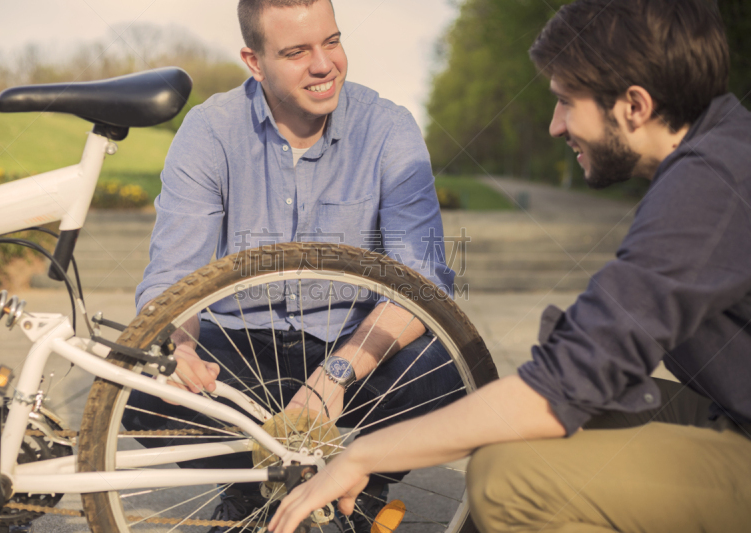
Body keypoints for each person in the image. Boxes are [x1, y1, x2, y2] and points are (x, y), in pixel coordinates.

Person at [269, 0, 751, 531]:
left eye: (566, 101)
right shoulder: (720, 151)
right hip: (727, 407)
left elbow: (559, 386)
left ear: (634, 105)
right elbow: (587, 361)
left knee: (508, 477)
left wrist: (362, 454)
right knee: (504, 429)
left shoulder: (710, 188)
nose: (554, 125)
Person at [130, 0, 464, 531]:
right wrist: (181, 346)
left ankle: (359, 487)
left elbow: (420, 283)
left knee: (442, 372)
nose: (323, 64)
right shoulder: (210, 131)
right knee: (142, 383)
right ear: (254, 61)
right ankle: (250, 491)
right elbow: (173, 275)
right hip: (240, 348)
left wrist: (335, 374)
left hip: (351, 348)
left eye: (331, 41)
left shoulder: (388, 130)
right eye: (296, 51)